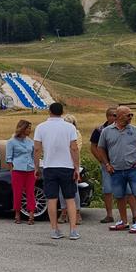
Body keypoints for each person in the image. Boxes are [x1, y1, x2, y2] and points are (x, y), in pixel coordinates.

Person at [97, 106, 136, 234]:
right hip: (116, 170)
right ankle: (124, 221)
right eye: (127, 115)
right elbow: (100, 148)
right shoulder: (106, 131)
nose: (130, 117)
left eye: (131, 115)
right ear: (118, 116)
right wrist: (106, 164)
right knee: (119, 196)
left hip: (133, 169)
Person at [33, 101, 81, 241]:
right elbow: (74, 148)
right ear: (62, 112)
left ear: (50, 111)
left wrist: (36, 167)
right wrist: (76, 167)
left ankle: (54, 229)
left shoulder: (41, 127)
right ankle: (73, 230)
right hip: (67, 166)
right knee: (70, 198)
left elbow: (37, 149)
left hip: (49, 166)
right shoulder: (70, 127)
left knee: (52, 199)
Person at [90, 107, 136, 225]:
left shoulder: (126, 128)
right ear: (108, 117)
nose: (116, 117)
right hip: (107, 164)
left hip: (121, 164)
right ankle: (109, 215)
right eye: (113, 115)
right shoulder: (99, 130)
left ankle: (135, 215)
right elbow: (94, 146)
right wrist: (102, 160)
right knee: (107, 189)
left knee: (128, 190)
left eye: (117, 115)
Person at [5, 119, 36, 225]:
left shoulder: (31, 142)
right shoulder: (11, 142)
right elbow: (9, 158)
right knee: (17, 193)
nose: (30, 130)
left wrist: (36, 168)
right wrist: (11, 170)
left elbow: (33, 156)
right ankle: (17, 214)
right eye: (28, 128)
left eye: (30, 128)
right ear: (22, 128)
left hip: (30, 170)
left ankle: (31, 214)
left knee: (30, 193)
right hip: (17, 170)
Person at [59, 114, 83, 226]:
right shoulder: (59, 134)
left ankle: (77, 213)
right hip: (60, 163)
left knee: (74, 189)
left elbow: (76, 148)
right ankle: (64, 211)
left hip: (73, 164)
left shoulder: (77, 134)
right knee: (61, 189)